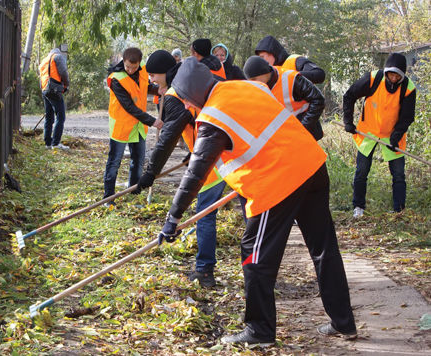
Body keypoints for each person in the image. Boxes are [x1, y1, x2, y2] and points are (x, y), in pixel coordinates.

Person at [157, 57, 357, 346]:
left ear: (193, 94)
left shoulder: (213, 117)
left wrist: (172, 218)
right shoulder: (249, 88)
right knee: (323, 247)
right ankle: (343, 322)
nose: (188, 108)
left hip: (279, 183)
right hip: (311, 167)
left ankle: (259, 331)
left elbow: (196, 173)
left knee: (254, 256)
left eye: (187, 101)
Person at [135, 50, 227, 287]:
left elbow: (167, 139)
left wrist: (150, 172)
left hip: (215, 162)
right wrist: (191, 151)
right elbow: (198, 120)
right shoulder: (186, 85)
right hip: (215, 153)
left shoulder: (177, 95)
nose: (152, 80)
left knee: (203, 215)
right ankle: (254, 267)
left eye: (154, 75)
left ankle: (205, 271)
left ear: (166, 72)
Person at [343, 52, 416, 218]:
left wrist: (396, 137)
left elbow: (407, 117)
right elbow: (349, 95)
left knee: (398, 174)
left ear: (402, 76)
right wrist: (348, 121)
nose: (393, 78)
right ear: (386, 72)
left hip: (392, 135)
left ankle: (399, 210)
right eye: (390, 74)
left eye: (397, 75)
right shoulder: (372, 79)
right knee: (361, 171)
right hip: (368, 132)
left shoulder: (408, 88)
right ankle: (358, 207)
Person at [103, 47, 163, 206]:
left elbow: (145, 88)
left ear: (139, 64)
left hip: (137, 127)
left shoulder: (143, 70)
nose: (130, 70)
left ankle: (134, 192)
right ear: (123, 61)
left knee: (138, 160)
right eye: (127, 66)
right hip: (121, 126)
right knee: (114, 162)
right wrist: (152, 121)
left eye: (134, 68)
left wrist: (159, 90)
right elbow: (129, 106)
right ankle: (108, 197)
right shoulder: (116, 79)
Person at [243, 55, 324, 140]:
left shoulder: (292, 78)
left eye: (254, 79)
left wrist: (302, 128)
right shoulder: (259, 88)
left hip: (307, 132)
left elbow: (318, 100)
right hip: (286, 137)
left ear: (265, 72)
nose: (253, 83)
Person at [255, 35, 325, 84]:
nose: (261, 62)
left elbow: (319, 74)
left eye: (262, 57)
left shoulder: (295, 60)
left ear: (272, 53)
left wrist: (290, 76)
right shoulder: (268, 75)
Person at [39, 48, 70, 150]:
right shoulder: (57, 57)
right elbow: (63, 72)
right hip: (54, 89)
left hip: (45, 89)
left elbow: (42, 78)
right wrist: (66, 85)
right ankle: (55, 144)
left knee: (49, 117)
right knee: (61, 116)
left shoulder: (44, 61)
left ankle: (48, 143)